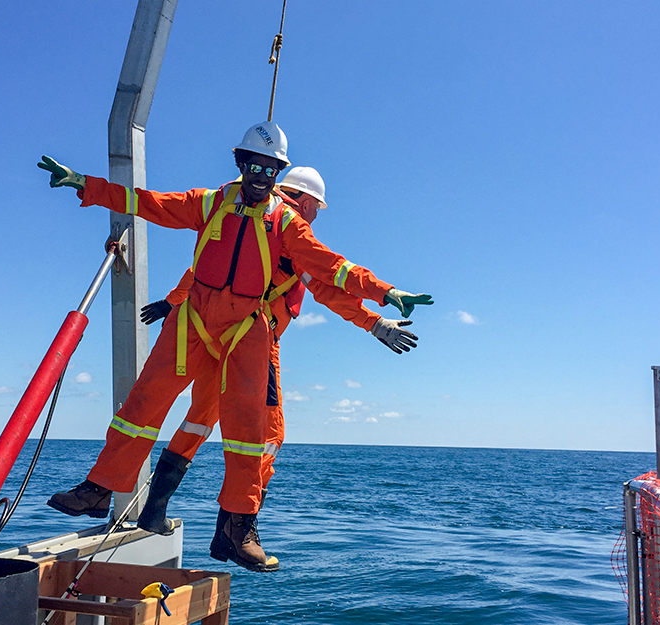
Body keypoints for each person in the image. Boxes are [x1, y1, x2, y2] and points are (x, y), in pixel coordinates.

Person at [38, 121, 432, 572]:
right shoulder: (215, 204)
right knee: (147, 404)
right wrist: (86, 185)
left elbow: (332, 270)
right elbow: (152, 206)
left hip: (248, 333)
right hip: (198, 323)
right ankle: (104, 489)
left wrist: (383, 296)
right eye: (256, 165)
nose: (263, 176)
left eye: (271, 168)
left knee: (250, 434)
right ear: (243, 164)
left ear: (278, 173)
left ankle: (235, 524)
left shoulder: (286, 227)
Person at [134, 166, 420, 544]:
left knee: (198, 421)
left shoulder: (247, 222)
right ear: (303, 200)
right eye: (316, 206)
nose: (316, 214)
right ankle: (234, 530)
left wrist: (172, 303)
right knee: (269, 435)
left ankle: (154, 511)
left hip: (214, 339)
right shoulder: (290, 234)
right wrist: (375, 323)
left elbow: (205, 272)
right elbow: (329, 288)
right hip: (254, 344)